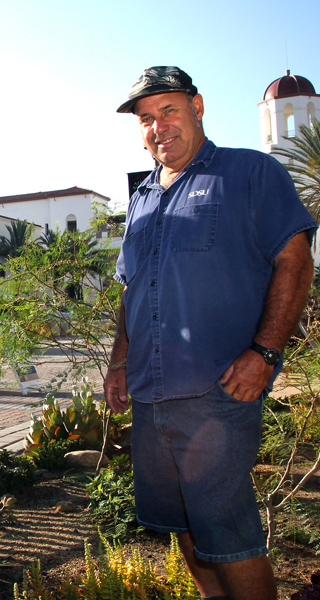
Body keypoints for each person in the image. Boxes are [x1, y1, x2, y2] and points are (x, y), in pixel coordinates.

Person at [104, 66, 317, 600]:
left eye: (169, 110)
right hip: (151, 395)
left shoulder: (248, 172)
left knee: (228, 532)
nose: (158, 127)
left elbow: (294, 260)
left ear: (197, 107)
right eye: (146, 119)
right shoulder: (142, 198)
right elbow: (130, 290)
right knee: (180, 522)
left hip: (217, 389)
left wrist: (265, 353)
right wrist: (117, 362)